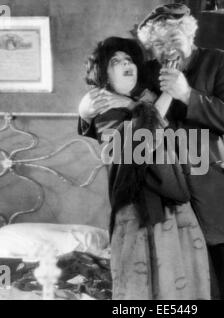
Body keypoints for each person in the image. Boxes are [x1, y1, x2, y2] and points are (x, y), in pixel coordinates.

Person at [87, 4, 224, 300]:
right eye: (156, 44)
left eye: (173, 40)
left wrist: (186, 94)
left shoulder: (220, 62)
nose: (166, 50)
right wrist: (85, 110)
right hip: (174, 205)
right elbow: (112, 116)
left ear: (189, 34)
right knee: (189, 295)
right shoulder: (147, 73)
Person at [77, 37, 210, 300]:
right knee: (142, 290)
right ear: (103, 73)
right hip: (137, 208)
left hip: (172, 202)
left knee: (182, 285)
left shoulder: (140, 100)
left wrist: (132, 103)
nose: (126, 64)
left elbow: (153, 120)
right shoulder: (101, 106)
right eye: (115, 62)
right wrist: (163, 96)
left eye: (128, 60)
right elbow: (144, 137)